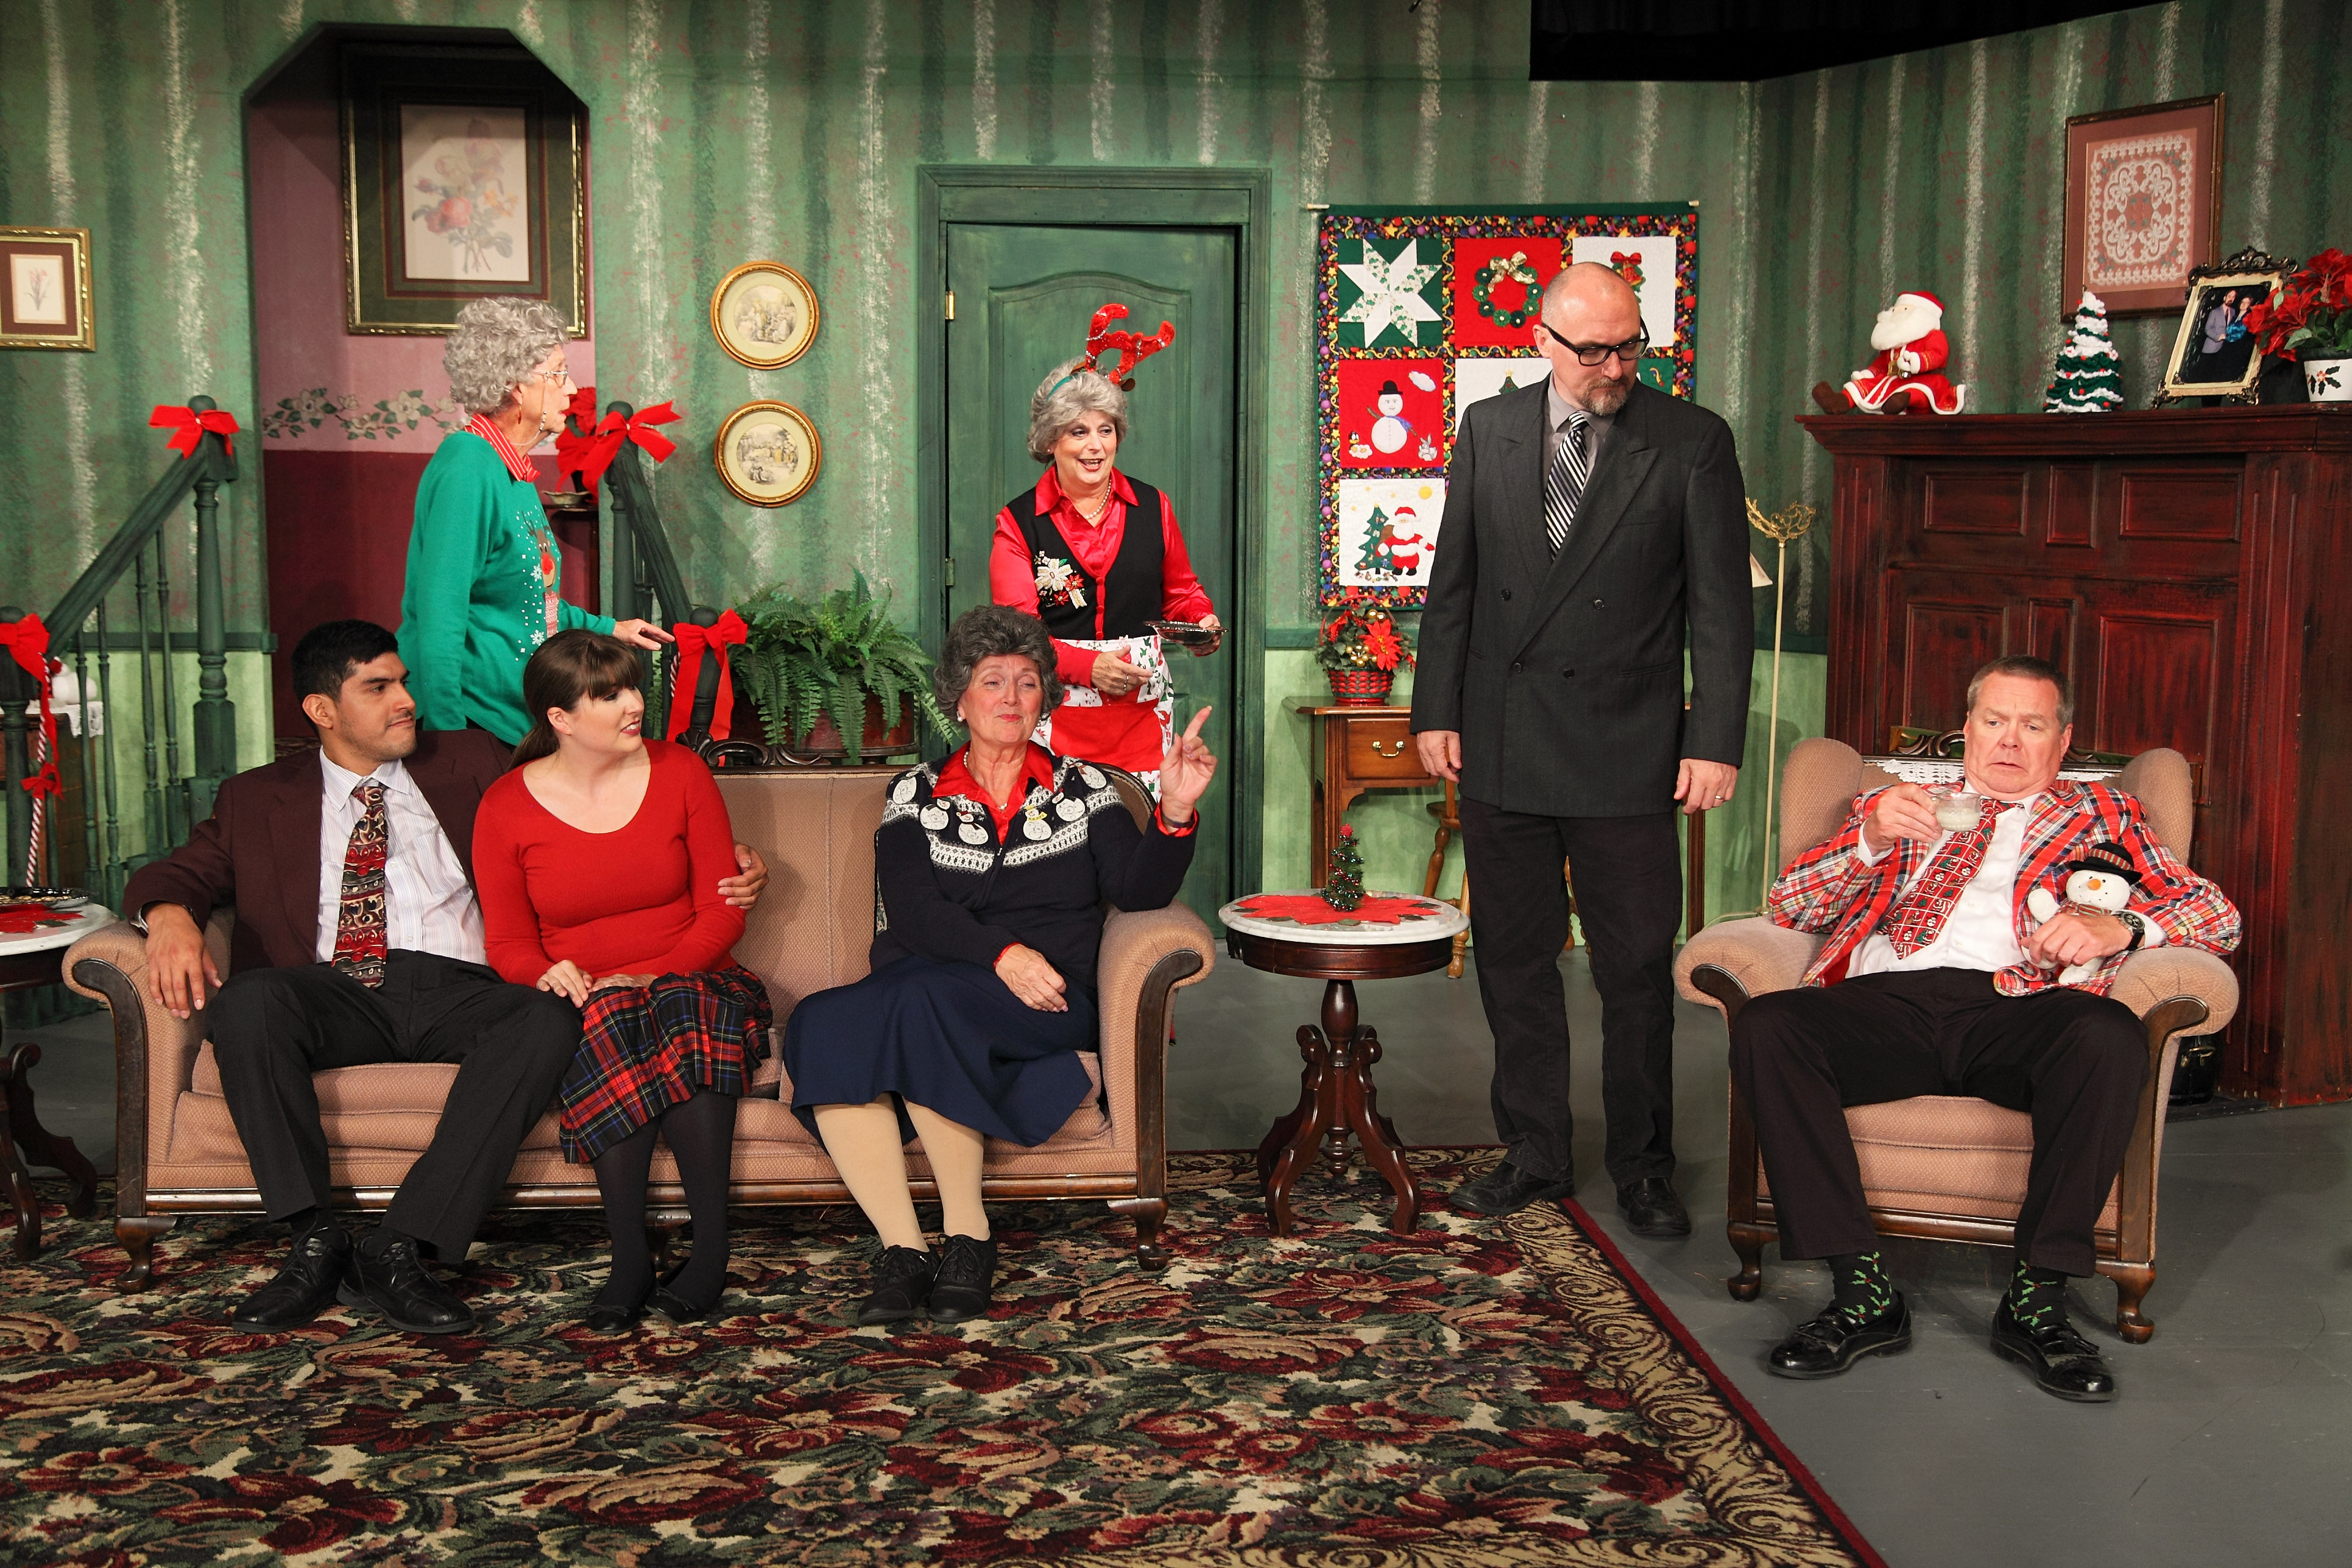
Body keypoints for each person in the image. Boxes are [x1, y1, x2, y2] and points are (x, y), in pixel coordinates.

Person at [125, 620, 768, 1335]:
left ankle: (400, 1245)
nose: (407, 700)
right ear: (322, 709)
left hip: (467, 987)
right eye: (379, 688)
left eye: (403, 682)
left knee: (547, 1019)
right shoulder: (255, 796)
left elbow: (584, 783)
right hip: (338, 990)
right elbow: (179, 872)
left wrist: (729, 855)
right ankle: (313, 1239)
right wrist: (168, 915)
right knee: (248, 1003)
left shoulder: (470, 760)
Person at [1732, 657, 2240, 1400]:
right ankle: (1862, 1293)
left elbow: (2217, 916)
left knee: (2107, 1035)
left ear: (2061, 740)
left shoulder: (2106, 814)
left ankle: (2037, 1302)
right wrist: (1868, 838)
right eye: (1995, 721)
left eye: (2032, 726)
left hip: (2022, 1009)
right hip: (1889, 1001)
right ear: (1967, 729)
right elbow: (1791, 908)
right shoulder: (1896, 806)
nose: (2009, 741)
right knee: (1770, 1025)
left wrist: (2124, 928)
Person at [1410, 261, 1753, 1237]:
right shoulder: (1488, 427)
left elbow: (1720, 610)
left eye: (1629, 346)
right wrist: (1435, 710)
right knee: (1512, 958)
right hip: (1503, 736)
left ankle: (1644, 1166)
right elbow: (1453, 584)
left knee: (1635, 969)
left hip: (1630, 744)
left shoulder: (1691, 440)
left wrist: (1713, 739)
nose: (1614, 366)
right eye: (1593, 349)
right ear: (1543, 339)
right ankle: (1534, 1150)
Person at [784, 604, 1215, 1326]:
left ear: (1045, 697)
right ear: (960, 699)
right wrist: (1003, 955)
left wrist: (1173, 811)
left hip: (1048, 998)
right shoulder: (914, 794)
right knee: (824, 1021)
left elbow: (1139, 892)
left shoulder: (1086, 789)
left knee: (916, 1006)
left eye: (1027, 682)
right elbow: (914, 912)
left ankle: (969, 1236)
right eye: (992, 681)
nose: (1011, 698)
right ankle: (905, 1250)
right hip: (940, 980)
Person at [472, 631, 770, 1330]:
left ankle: (711, 1253)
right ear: (560, 718)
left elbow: (723, 910)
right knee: (609, 1016)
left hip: (697, 980)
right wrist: (546, 972)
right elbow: (508, 943)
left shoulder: (681, 772)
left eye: (633, 687)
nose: (634, 704)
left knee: (677, 1006)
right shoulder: (505, 806)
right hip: (590, 998)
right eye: (608, 696)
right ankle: (629, 1256)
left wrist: (654, 974)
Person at [397, 296, 671, 743]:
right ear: (515, 386)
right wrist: (449, 738)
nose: (571, 389)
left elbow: (531, 601)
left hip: (515, 712)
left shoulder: (513, 472)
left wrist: (612, 628)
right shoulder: (468, 467)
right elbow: (439, 614)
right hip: (473, 720)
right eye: (558, 373)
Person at [988, 347, 1220, 791]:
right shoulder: (1017, 523)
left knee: (1140, 825)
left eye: (1106, 430)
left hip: (1142, 714)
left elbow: (1181, 593)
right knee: (1056, 826)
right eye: (1079, 431)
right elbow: (1018, 633)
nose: (1095, 446)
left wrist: (1201, 621)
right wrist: (1088, 667)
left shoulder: (1154, 506)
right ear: (1051, 441)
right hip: (1054, 710)